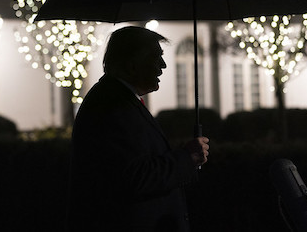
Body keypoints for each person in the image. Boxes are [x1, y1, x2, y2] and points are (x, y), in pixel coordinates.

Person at [66, 26, 209, 232]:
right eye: (155, 57)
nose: (163, 65)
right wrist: (186, 159)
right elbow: (133, 176)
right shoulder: (112, 106)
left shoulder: (118, 99)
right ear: (132, 65)